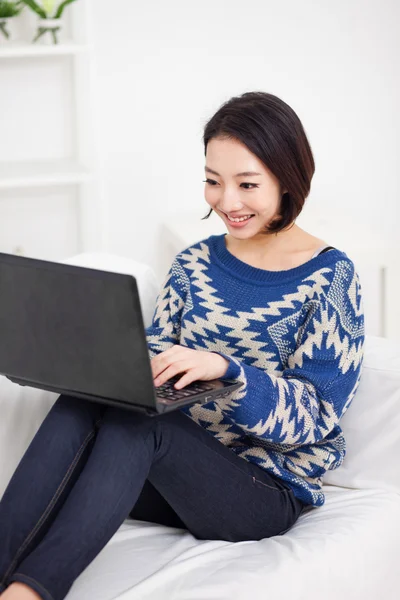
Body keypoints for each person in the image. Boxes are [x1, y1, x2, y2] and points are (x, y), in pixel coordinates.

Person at [0, 91, 365, 600]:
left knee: (138, 432)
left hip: (262, 490)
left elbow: (317, 415)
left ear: (289, 178)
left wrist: (228, 371)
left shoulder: (329, 278)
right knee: (88, 401)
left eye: (247, 184)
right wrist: (108, 366)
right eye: (213, 181)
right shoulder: (192, 264)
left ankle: (30, 594)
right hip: (170, 479)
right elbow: (150, 360)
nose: (227, 202)